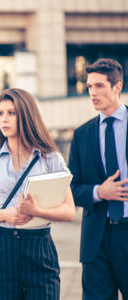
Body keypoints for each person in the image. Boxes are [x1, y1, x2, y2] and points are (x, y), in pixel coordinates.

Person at [0, 88, 75, 300]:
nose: (4, 119)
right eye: (0, 113)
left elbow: (69, 211)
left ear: (26, 115)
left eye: (12, 113)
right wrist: (5, 215)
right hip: (3, 246)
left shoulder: (51, 159)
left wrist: (37, 210)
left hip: (39, 246)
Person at [68, 58, 128, 299]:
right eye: (89, 86)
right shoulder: (82, 134)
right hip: (97, 240)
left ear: (117, 86)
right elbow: (70, 189)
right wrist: (98, 192)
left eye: (99, 86)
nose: (92, 92)